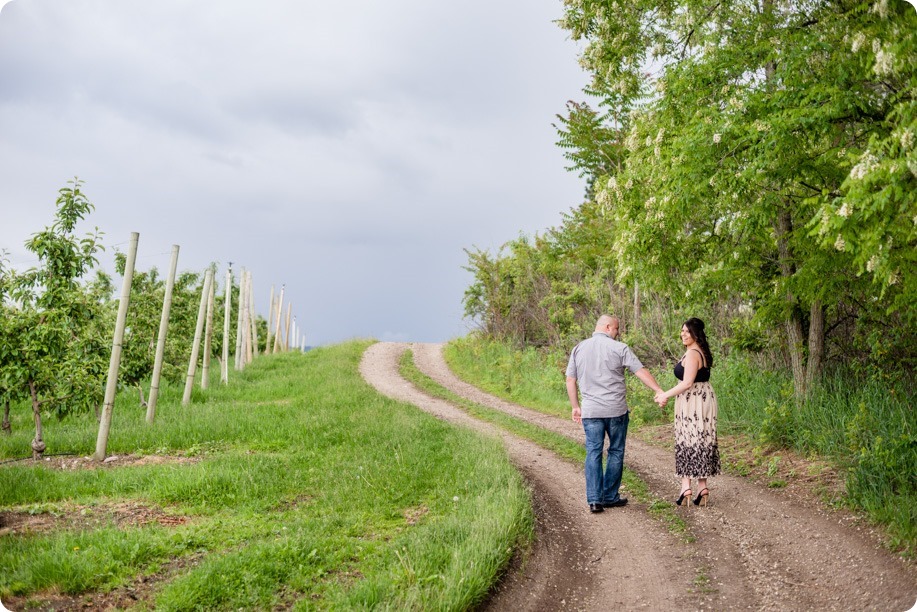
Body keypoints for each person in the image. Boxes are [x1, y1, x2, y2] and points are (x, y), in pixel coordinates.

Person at [566, 314, 665, 513]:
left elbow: (570, 380)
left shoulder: (578, 348)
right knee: (616, 451)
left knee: (593, 451)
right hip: (616, 410)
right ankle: (610, 496)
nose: (618, 333)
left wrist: (576, 406)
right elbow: (640, 371)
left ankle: (594, 500)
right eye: (616, 329)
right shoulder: (620, 348)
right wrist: (658, 390)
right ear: (608, 326)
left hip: (591, 411)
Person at [654, 317, 720, 507]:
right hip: (701, 398)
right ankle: (702, 487)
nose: (683, 334)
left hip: (694, 400)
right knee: (700, 439)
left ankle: (685, 487)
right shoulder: (701, 351)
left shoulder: (692, 354)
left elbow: (687, 382)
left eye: (687, 331)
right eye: (682, 331)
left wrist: (664, 395)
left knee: (688, 438)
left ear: (695, 334)